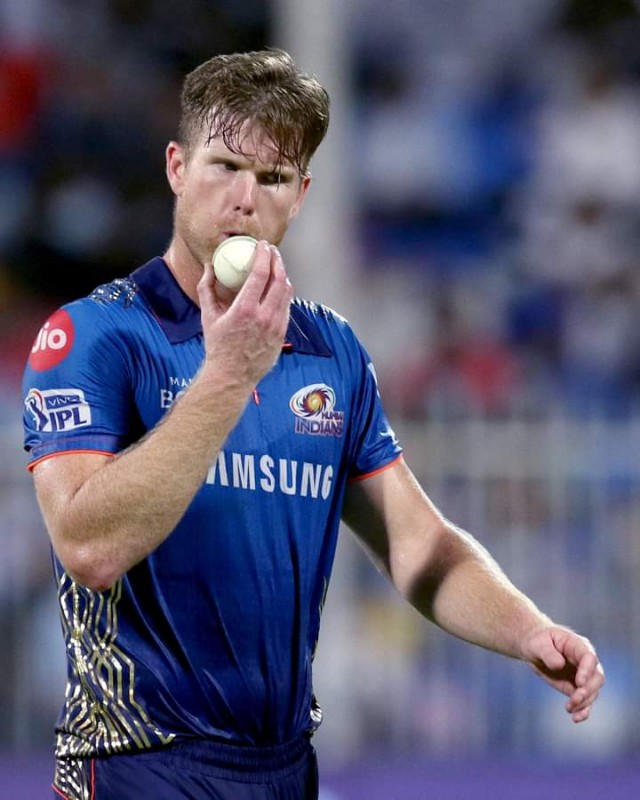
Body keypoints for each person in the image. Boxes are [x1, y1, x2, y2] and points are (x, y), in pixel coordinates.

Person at [22, 49, 604, 800]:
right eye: (224, 166)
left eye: (271, 178)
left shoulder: (332, 351)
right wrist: (228, 376)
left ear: (300, 196)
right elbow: (88, 547)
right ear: (177, 168)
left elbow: (418, 545)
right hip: (137, 763)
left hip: (285, 769)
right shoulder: (94, 336)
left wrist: (526, 629)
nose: (244, 200)